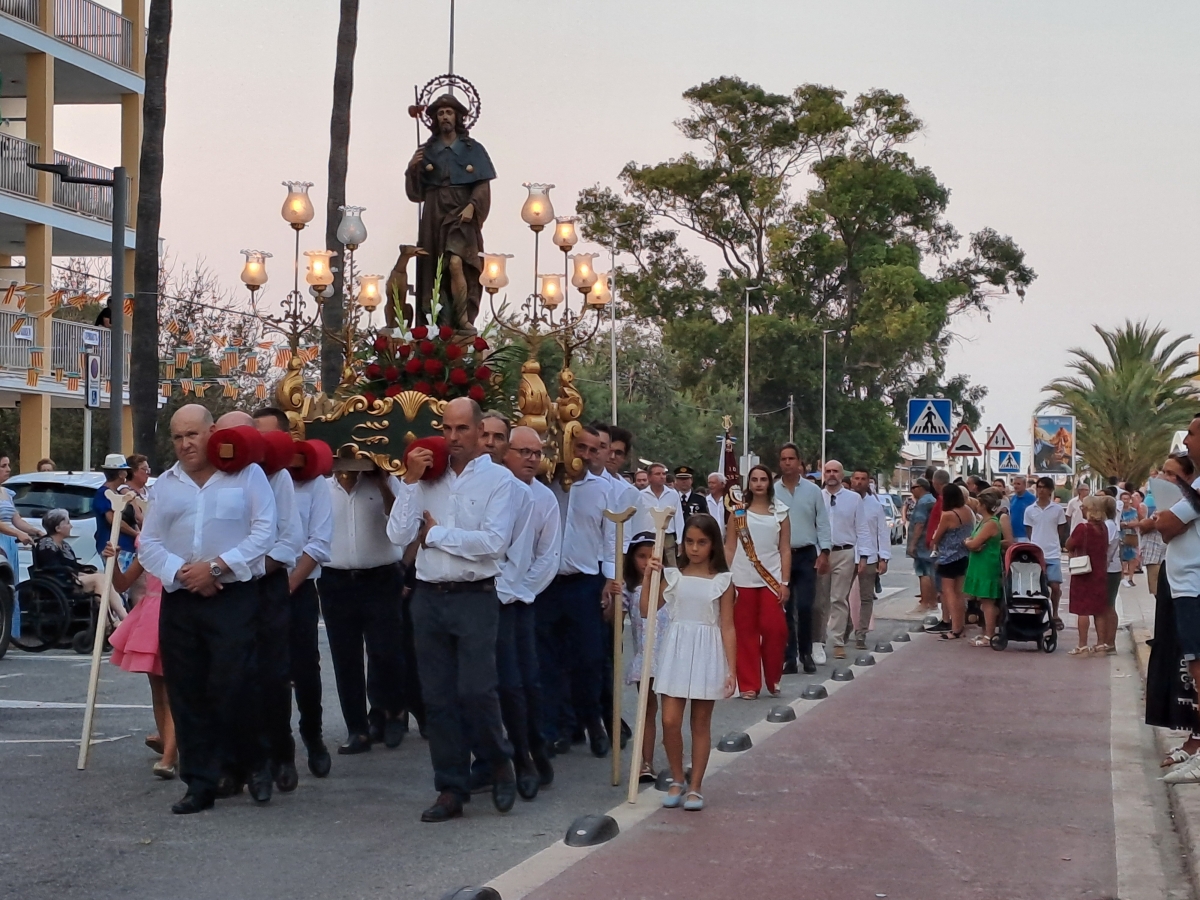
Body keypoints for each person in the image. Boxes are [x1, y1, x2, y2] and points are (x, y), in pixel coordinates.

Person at [138, 404, 277, 814]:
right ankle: (199, 783)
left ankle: (255, 765)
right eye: (178, 437)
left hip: (231, 597)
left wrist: (216, 566)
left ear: (212, 432)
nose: (185, 444)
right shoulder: (166, 484)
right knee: (187, 690)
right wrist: (183, 572)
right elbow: (149, 543)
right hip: (181, 599)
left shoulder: (247, 475)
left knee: (235, 686)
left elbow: (264, 531)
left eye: (192, 435)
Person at [387, 397, 516, 822]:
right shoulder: (426, 476)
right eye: (447, 429)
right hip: (428, 595)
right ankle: (450, 787)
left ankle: (498, 760)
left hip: (474, 596)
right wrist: (409, 482)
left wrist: (438, 534)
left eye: (462, 429)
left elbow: (492, 543)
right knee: (438, 697)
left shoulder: (499, 481)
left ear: (481, 433)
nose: (453, 438)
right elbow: (398, 534)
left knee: (477, 690)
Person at [217, 410, 304, 795]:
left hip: (264, 583)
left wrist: (251, 568)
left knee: (271, 675)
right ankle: (234, 763)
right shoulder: (210, 475)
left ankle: (279, 755)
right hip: (224, 589)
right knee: (231, 677)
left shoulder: (275, 476)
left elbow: (289, 540)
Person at [254, 407, 335, 780]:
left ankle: (313, 737)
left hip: (296, 587)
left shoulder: (311, 482)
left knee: (305, 668)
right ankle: (277, 748)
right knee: (270, 672)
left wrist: (288, 585)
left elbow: (317, 543)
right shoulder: (248, 477)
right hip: (255, 586)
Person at [641, 514, 736, 812]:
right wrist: (648, 578)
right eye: (690, 541)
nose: (695, 548)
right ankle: (677, 778)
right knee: (669, 720)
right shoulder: (673, 576)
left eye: (702, 542)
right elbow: (647, 610)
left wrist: (732, 669)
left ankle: (696, 786)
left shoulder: (723, 581)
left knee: (700, 722)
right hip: (677, 649)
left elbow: (728, 626)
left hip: (707, 650)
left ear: (713, 545)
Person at [322, 458, 407, 756]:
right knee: (345, 657)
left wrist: (383, 481)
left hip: (380, 577)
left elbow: (400, 521)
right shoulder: (322, 487)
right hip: (336, 579)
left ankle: (393, 711)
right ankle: (357, 728)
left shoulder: (385, 481)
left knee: (385, 651)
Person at [499, 425, 561, 791]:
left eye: (537, 453)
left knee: (524, 682)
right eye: (524, 452)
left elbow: (547, 556)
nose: (531, 459)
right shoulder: (490, 489)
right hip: (482, 600)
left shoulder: (544, 499)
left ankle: (532, 749)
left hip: (520, 601)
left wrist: (518, 589)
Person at [107, 544, 176, 779]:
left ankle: (169, 755)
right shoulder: (149, 547)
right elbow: (122, 584)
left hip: (173, 611)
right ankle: (168, 743)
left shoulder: (181, 542)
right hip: (149, 614)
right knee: (157, 690)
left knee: (172, 693)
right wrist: (113, 561)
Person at [724, 464, 790, 699]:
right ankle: (749, 684)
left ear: (769, 483)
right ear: (749, 483)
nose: (759, 483)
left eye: (763, 479)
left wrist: (785, 582)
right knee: (745, 632)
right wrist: (725, 577)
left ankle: (773, 678)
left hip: (771, 579)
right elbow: (730, 546)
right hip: (742, 578)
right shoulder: (738, 512)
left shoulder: (781, 512)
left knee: (776, 629)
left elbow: (784, 549)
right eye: (755, 479)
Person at [776, 444, 831, 675]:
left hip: (807, 554)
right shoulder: (772, 491)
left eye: (791, 458)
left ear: (800, 462)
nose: (787, 463)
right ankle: (789, 657)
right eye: (783, 459)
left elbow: (822, 522)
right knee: (785, 608)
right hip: (780, 556)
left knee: (806, 606)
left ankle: (806, 653)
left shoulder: (812, 491)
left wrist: (825, 552)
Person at [622, 531, 667, 782]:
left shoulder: (669, 581)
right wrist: (611, 600)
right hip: (645, 656)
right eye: (641, 556)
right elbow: (614, 617)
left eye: (652, 556)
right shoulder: (630, 590)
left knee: (672, 714)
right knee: (647, 711)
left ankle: (674, 761)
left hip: (669, 654)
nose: (647, 561)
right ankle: (646, 763)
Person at [816, 460, 870, 662]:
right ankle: (818, 641)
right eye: (828, 471)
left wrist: (864, 556)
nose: (831, 475)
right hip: (821, 553)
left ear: (841, 474)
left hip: (845, 552)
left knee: (838, 598)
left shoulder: (853, 499)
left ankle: (837, 641)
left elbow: (862, 528)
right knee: (820, 601)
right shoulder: (816, 497)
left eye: (835, 471)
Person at [34, 508, 126, 625]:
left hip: (71, 578)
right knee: (99, 579)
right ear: (58, 528)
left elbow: (73, 565)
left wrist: (84, 571)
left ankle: (113, 621)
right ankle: (115, 620)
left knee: (102, 578)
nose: (71, 526)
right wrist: (76, 574)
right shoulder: (46, 544)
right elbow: (52, 567)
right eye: (67, 523)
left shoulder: (65, 545)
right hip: (60, 583)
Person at [0, 451, 44, 639]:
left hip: (9, 543)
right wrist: (18, 533)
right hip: (2, 540)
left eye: (8, 465)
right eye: (3, 466)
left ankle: (9, 634)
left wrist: (36, 530)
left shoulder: (6, 493)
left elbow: (15, 519)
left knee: (10, 589)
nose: (8, 469)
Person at [847, 468, 889, 650]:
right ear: (851, 480)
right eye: (856, 478)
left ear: (868, 481)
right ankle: (844, 629)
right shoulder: (843, 501)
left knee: (866, 598)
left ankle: (861, 633)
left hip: (870, 556)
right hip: (847, 555)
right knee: (841, 597)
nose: (859, 482)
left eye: (863, 479)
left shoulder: (875, 505)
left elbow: (882, 531)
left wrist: (884, 557)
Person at [1064, 496, 1111, 655]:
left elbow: (1069, 544)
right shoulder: (1104, 528)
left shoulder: (1083, 528)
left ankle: (1082, 644)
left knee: (1082, 609)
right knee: (1099, 610)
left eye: (1083, 506)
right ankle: (1101, 644)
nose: (1081, 509)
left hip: (1083, 572)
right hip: (1100, 571)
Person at [931, 483, 973, 640]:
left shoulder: (948, 515)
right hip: (964, 555)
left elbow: (937, 536)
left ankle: (955, 628)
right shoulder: (967, 511)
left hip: (948, 557)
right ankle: (961, 626)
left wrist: (934, 542)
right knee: (960, 593)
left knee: (949, 593)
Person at [963, 489, 1005, 646]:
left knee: (988, 602)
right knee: (982, 600)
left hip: (987, 565)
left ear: (984, 505)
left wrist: (969, 543)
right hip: (979, 564)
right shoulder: (983, 522)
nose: (977, 505)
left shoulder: (992, 523)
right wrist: (970, 543)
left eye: (979, 503)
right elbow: (972, 541)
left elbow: (973, 542)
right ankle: (984, 632)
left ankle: (989, 634)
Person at [1025, 476, 1068, 629]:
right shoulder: (1030, 510)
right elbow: (1029, 530)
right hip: (1036, 553)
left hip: (1053, 553)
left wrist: (1055, 542)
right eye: (1039, 487)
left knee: (1055, 586)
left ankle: (1055, 613)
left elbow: (1061, 529)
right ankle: (1037, 614)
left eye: (1044, 487)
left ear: (1050, 490)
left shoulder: (1057, 510)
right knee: (1036, 587)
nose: (1041, 490)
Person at [636, 463, 685, 567]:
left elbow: (678, 517)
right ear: (649, 477)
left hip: (667, 537)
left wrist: (680, 541)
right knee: (649, 565)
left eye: (664, 474)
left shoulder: (673, 494)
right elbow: (638, 518)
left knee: (671, 568)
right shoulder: (640, 495)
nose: (662, 476)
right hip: (648, 536)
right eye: (658, 474)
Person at [92, 454, 137, 567]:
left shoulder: (116, 493)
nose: (127, 474)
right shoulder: (104, 494)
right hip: (115, 549)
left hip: (126, 548)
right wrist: (136, 534)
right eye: (125, 471)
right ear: (120, 474)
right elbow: (113, 520)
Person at [907, 479, 938, 615]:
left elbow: (919, 523)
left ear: (921, 487)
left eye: (913, 487)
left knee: (923, 572)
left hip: (922, 543)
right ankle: (932, 602)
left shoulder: (922, 502)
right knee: (931, 572)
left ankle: (925, 602)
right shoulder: (932, 499)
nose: (911, 490)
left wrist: (912, 544)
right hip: (930, 541)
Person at [1139, 489, 1166, 598]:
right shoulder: (1158, 509)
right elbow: (1143, 527)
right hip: (1153, 553)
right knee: (1157, 591)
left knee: (1161, 593)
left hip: (1163, 555)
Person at [1119, 490, 1140, 587]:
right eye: (1124, 499)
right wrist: (1128, 524)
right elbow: (1118, 524)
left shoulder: (1134, 511)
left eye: (1127, 499)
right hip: (1121, 536)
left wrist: (1126, 524)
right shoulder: (1118, 511)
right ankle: (1122, 578)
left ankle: (1131, 578)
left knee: (1132, 558)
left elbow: (1136, 522)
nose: (1125, 501)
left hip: (1132, 536)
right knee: (1122, 558)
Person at [1008, 475, 1036, 541]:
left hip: (1025, 536)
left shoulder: (1031, 499)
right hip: (1013, 535)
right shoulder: (1013, 498)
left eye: (1018, 484)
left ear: (1024, 485)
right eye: (1014, 484)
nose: (1015, 486)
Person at [706, 472, 727, 538]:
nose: (711, 486)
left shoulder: (728, 501)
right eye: (709, 483)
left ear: (722, 484)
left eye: (713, 483)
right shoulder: (705, 501)